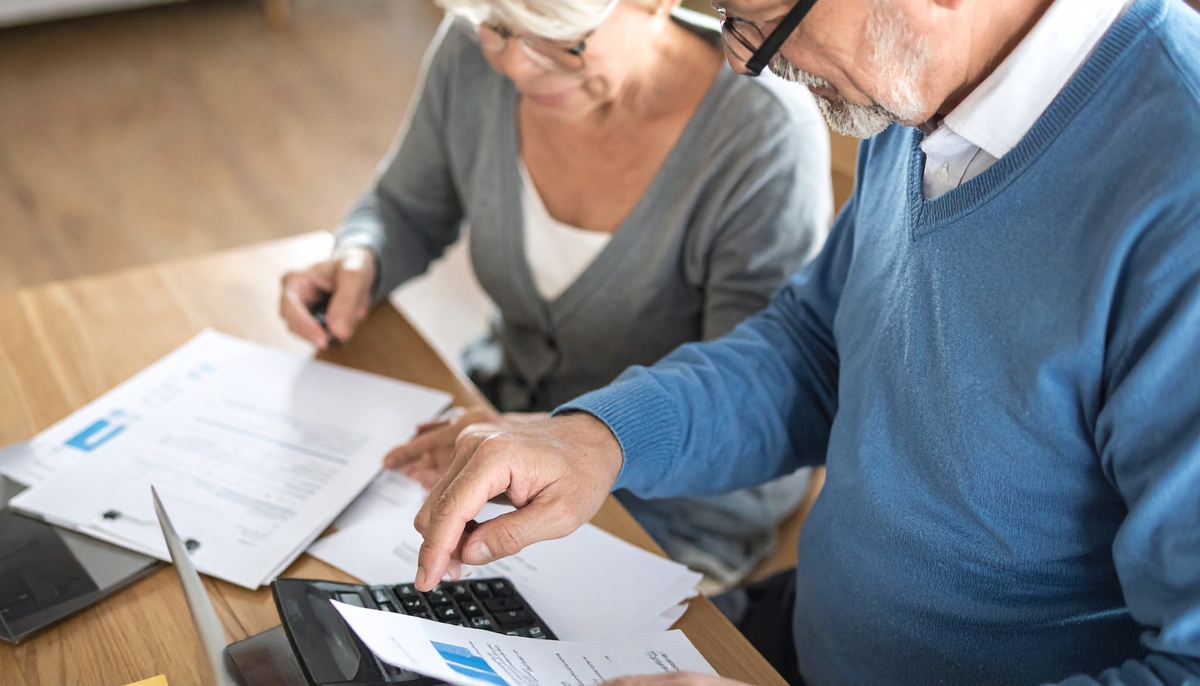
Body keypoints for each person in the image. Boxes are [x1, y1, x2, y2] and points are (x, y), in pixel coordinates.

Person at [408, 0, 1200, 684]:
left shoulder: (1176, 198)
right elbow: (818, 349)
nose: (746, 63)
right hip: (807, 642)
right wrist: (602, 438)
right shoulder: (920, 84)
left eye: (761, 22)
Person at [279, 0, 833, 585]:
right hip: (492, 423)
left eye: (560, 38)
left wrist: (560, 436)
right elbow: (405, 208)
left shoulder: (762, 133)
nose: (515, 66)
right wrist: (360, 255)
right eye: (497, 28)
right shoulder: (469, 51)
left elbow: (748, 396)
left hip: (672, 503)